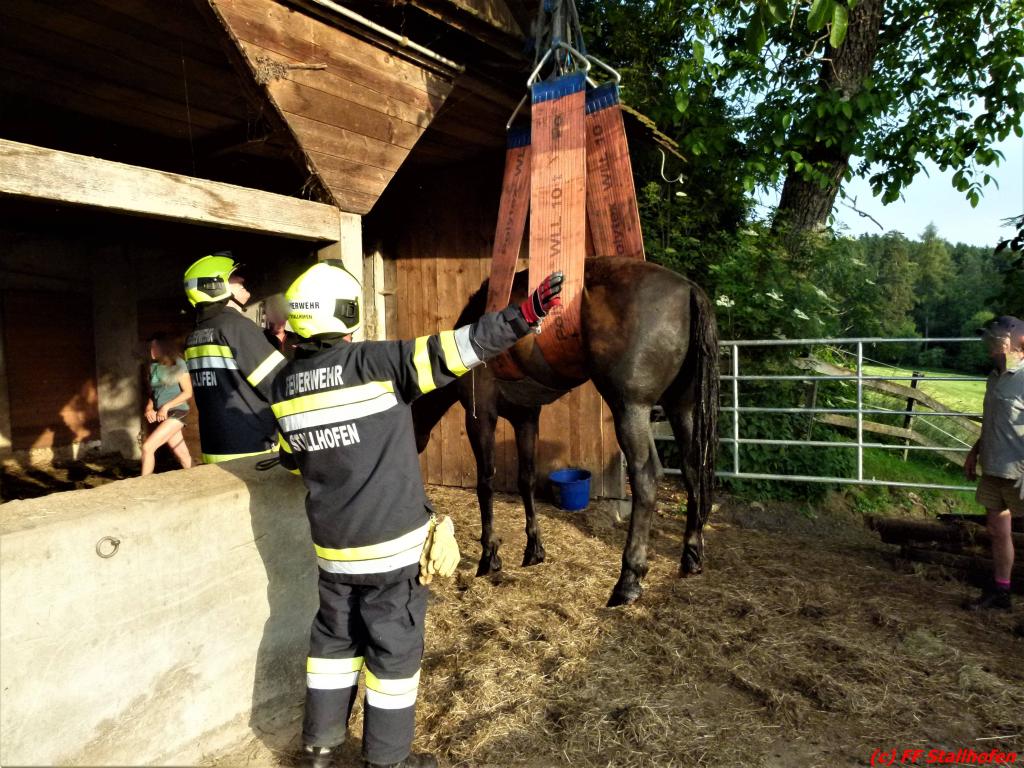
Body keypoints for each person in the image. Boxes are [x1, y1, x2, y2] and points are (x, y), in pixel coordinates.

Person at [273, 260, 563, 768]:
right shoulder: (377, 363)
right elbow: (463, 346)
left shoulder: (282, 387)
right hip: (391, 554)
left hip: (334, 554)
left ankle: (319, 748)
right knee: (393, 653)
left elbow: (291, 459)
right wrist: (525, 315)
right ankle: (387, 759)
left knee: (333, 647)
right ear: (348, 314)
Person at [183, 253, 288, 463]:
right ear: (214, 286)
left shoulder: (195, 335)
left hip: (216, 448)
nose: (242, 279)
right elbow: (281, 384)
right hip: (253, 447)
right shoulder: (237, 327)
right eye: (233, 277)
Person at [963, 315, 1024, 611]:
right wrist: (974, 451)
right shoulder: (994, 377)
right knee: (998, 531)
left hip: (1019, 473)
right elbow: (993, 421)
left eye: (995, 338)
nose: (988, 343)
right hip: (993, 468)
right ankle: (1002, 592)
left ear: (1015, 342)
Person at [140, 333, 193, 476]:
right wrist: (149, 408)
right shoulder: (153, 366)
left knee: (147, 447)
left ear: (163, 348)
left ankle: (143, 484)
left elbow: (188, 392)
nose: (151, 350)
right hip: (163, 414)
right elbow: (154, 394)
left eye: (154, 347)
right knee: (183, 455)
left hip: (177, 411)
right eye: (150, 347)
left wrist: (166, 407)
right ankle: (197, 482)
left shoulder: (178, 364)